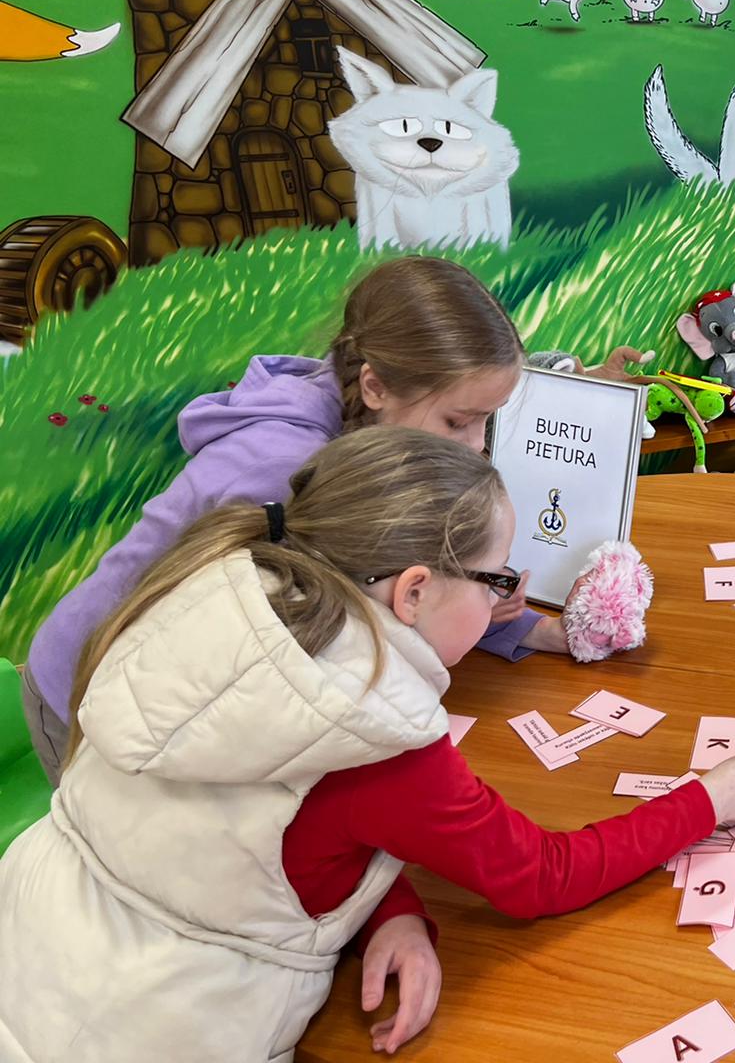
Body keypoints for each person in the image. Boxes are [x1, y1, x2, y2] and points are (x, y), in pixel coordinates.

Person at [0, 428, 735, 1061]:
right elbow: (541, 877)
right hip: (166, 1031)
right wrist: (714, 798)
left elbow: (252, 829)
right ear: (413, 591)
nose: (508, 598)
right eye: (497, 580)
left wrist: (390, 907)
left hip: (33, 948)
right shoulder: (386, 747)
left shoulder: (216, 590)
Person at [21, 255, 571, 784]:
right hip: (91, 694)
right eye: (458, 421)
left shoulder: (374, 421)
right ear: (375, 386)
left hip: (176, 693)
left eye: (486, 422)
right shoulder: (280, 469)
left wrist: (515, 622)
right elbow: (281, 629)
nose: (475, 446)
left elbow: (405, 573)